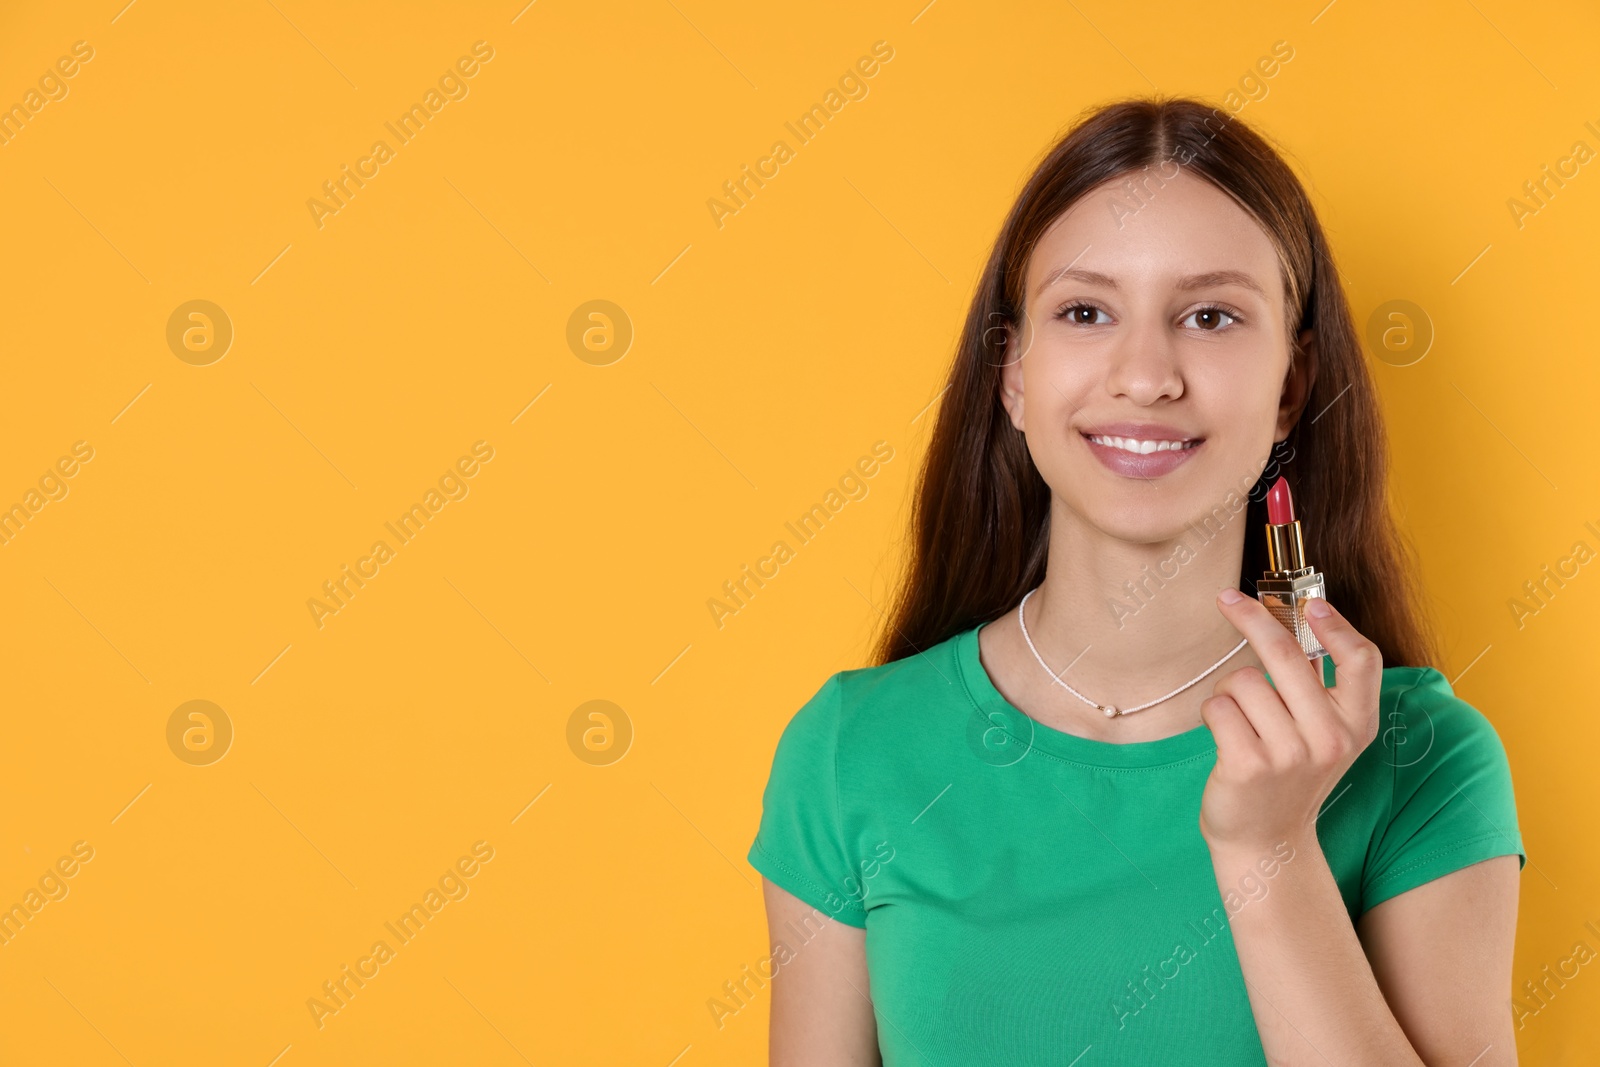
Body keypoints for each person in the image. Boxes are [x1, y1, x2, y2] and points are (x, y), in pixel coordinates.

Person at [746, 97, 1526, 1065]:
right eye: (1084, 311)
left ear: (1290, 382)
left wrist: (1267, 849)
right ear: (1014, 373)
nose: (1146, 373)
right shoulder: (849, 750)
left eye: (1209, 315)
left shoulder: (1422, 756)